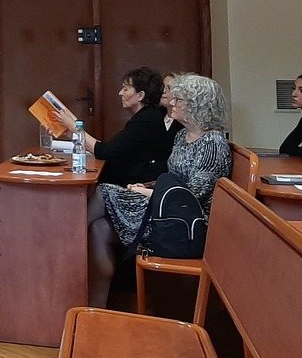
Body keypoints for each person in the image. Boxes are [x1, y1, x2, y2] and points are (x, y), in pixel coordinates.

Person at [86, 73, 232, 308]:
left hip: (184, 224)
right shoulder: (182, 136)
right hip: (165, 210)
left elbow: (192, 195)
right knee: (99, 229)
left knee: (104, 191)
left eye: (179, 99)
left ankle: (63, 244)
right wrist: (147, 186)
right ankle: (96, 306)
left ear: (197, 105)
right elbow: (172, 179)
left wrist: (146, 194)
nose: (171, 102)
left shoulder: (212, 144)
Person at [55, 67, 172, 185]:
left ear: (140, 95)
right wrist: (70, 133)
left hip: (135, 186)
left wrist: (75, 128)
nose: (120, 93)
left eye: (125, 89)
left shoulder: (146, 120)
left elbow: (105, 152)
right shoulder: (147, 116)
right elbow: (111, 147)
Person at [161, 72, 186, 141]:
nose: (163, 91)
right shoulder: (155, 115)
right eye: (163, 87)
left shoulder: (184, 121)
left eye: (169, 87)